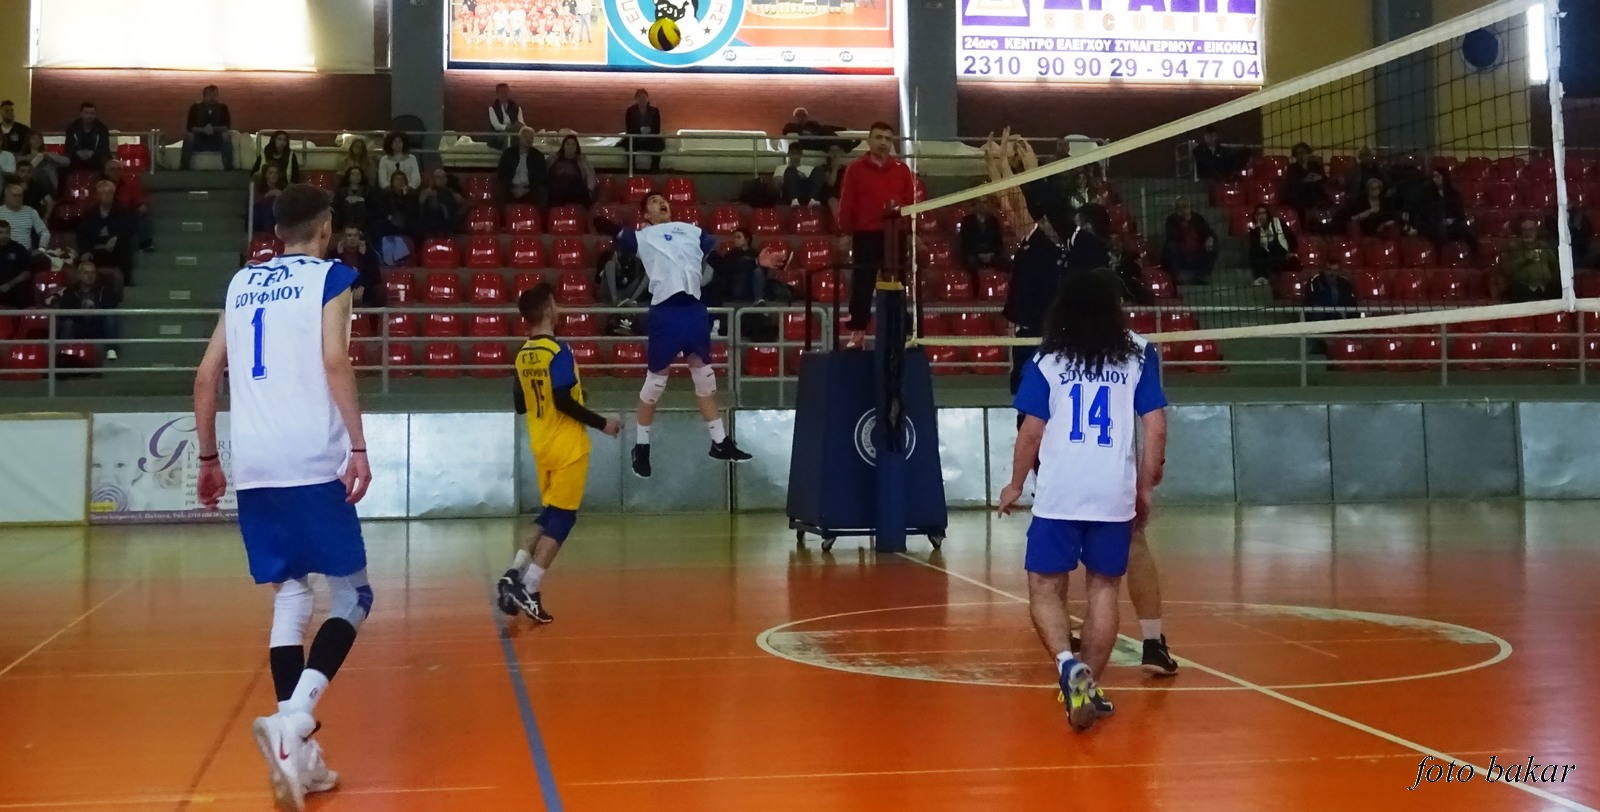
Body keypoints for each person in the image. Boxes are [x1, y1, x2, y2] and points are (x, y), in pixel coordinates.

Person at [192, 183, 373, 812]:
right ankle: (295, 721)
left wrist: (209, 458)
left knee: (292, 594)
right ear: (325, 228)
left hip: (256, 464)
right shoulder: (332, 277)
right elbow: (335, 360)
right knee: (353, 596)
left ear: (276, 233)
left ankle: (304, 762)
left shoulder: (242, 282)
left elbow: (206, 376)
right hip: (310, 459)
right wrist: (358, 445)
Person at [997, 268, 1168, 734]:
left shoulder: (1048, 357)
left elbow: (1030, 432)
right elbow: (1155, 427)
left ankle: (1067, 664)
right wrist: (1145, 487)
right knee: (1104, 591)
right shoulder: (1139, 352)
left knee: (1044, 587)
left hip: (1060, 493)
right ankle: (1089, 688)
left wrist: (1014, 484)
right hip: (1113, 494)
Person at [610, 194, 783, 477]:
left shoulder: (691, 232)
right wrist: (609, 227)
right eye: (653, 201)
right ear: (646, 215)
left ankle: (719, 442)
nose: (661, 202)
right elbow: (617, 235)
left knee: (705, 378)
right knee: (655, 383)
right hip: (666, 312)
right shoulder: (644, 237)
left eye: (663, 199)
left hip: (694, 309)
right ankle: (641, 446)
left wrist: (756, 263)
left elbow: (721, 265)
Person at [496, 283, 622, 623]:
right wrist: (603, 423)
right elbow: (563, 400)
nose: (560, 309)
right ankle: (528, 585)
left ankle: (514, 576)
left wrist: (569, 394)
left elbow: (521, 404)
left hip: (542, 445)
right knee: (563, 519)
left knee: (549, 516)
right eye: (556, 303)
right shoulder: (558, 350)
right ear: (548, 310)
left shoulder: (523, 354)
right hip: (567, 446)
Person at [837, 121, 917, 348]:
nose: (883, 142)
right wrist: (846, 230)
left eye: (888, 139)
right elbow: (847, 201)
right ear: (869, 140)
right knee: (862, 284)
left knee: (898, 284)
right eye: (879, 137)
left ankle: (899, 332)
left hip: (895, 235)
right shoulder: (855, 169)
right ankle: (857, 332)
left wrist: (910, 231)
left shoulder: (902, 170)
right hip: (866, 235)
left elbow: (910, 203)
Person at [182, 85, 235, 170]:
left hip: (216, 140)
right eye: (209, 95)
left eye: (215, 95)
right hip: (199, 140)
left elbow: (226, 127)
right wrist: (203, 130)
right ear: (204, 96)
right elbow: (190, 127)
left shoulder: (223, 108)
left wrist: (213, 129)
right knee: (189, 136)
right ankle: (184, 167)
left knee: (226, 136)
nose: (212, 98)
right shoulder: (195, 107)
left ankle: (228, 166)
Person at [623, 89, 664, 174]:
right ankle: (632, 171)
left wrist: (649, 130)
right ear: (636, 99)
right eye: (640, 97)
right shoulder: (630, 111)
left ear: (647, 98)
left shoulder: (654, 111)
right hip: (636, 139)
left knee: (659, 143)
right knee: (628, 143)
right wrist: (640, 130)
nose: (642, 99)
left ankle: (654, 169)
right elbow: (629, 129)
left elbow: (657, 128)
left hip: (649, 139)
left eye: (644, 97)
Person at [487, 83, 526, 151]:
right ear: (497, 94)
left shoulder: (517, 107)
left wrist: (520, 127)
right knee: (506, 137)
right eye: (501, 92)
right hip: (499, 134)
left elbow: (521, 122)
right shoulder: (492, 108)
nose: (504, 95)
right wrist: (508, 128)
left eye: (505, 92)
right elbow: (496, 125)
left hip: (515, 132)